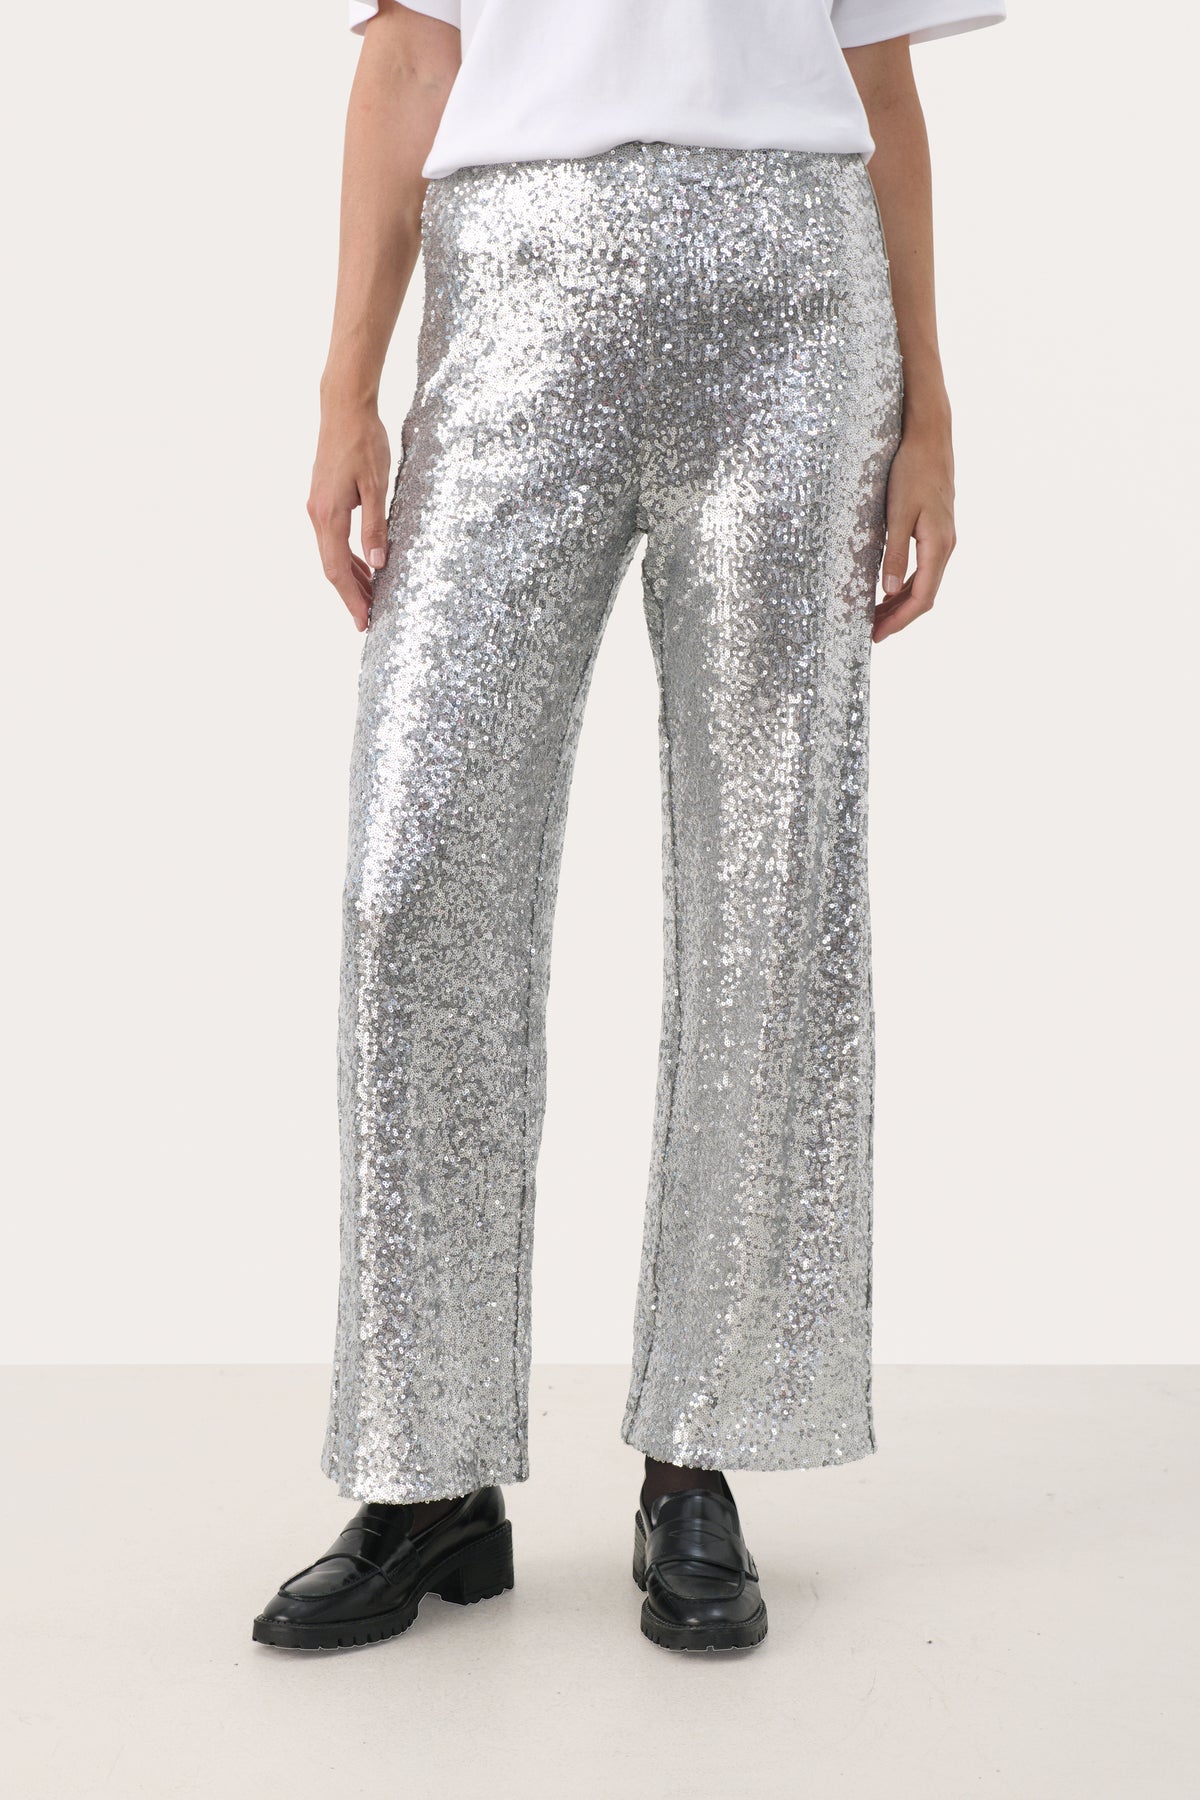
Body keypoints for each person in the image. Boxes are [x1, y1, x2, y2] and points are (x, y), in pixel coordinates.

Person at [253, 0, 1006, 1655]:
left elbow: (876, 74)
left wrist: (931, 408)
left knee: (770, 881)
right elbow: (407, 56)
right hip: (516, 290)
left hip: (792, 310)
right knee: (414, 878)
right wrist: (345, 385)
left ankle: (697, 1457)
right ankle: (425, 1473)